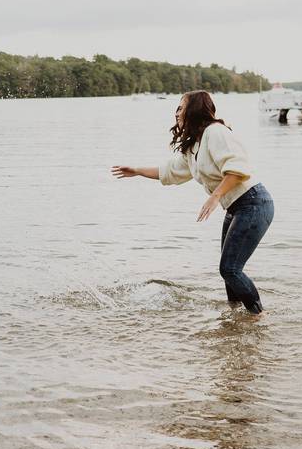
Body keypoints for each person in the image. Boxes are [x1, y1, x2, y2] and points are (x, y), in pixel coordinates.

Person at [112, 90, 274, 314]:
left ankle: (258, 316)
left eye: (181, 107)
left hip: (254, 203)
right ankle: (236, 317)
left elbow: (238, 168)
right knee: (229, 272)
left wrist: (214, 197)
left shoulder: (216, 132)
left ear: (194, 109)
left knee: (230, 269)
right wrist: (137, 171)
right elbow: (169, 171)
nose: (176, 112)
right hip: (237, 207)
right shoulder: (193, 147)